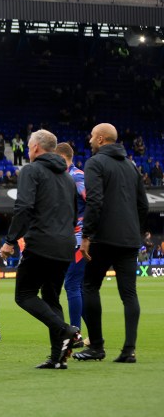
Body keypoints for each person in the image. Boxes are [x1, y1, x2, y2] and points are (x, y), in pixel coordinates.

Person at [0, 130, 79, 369]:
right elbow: (74, 214)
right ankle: (57, 358)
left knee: (24, 294)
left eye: (28, 145)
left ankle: (66, 330)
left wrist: (10, 240)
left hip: (42, 242)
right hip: (66, 244)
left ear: (35, 148)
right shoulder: (68, 178)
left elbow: (23, 207)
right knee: (52, 297)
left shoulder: (31, 170)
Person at [73, 123, 148, 364]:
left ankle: (96, 347)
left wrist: (86, 236)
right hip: (129, 239)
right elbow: (143, 205)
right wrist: (133, 228)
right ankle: (129, 351)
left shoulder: (95, 163)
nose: (90, 140)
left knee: (90, 286)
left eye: (93, 136)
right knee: (129, 293)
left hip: (103, 238)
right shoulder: (131, 165)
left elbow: (94, 201)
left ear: (102, 139)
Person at [55, 142, 87, 336]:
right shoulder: (65, 177)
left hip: (80, 238)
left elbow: (93, 201)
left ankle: (75, 332)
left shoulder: (77, 176)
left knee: (73, 284)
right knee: (79, 287)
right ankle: (91, 334)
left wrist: (87, 234)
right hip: (70, 238)